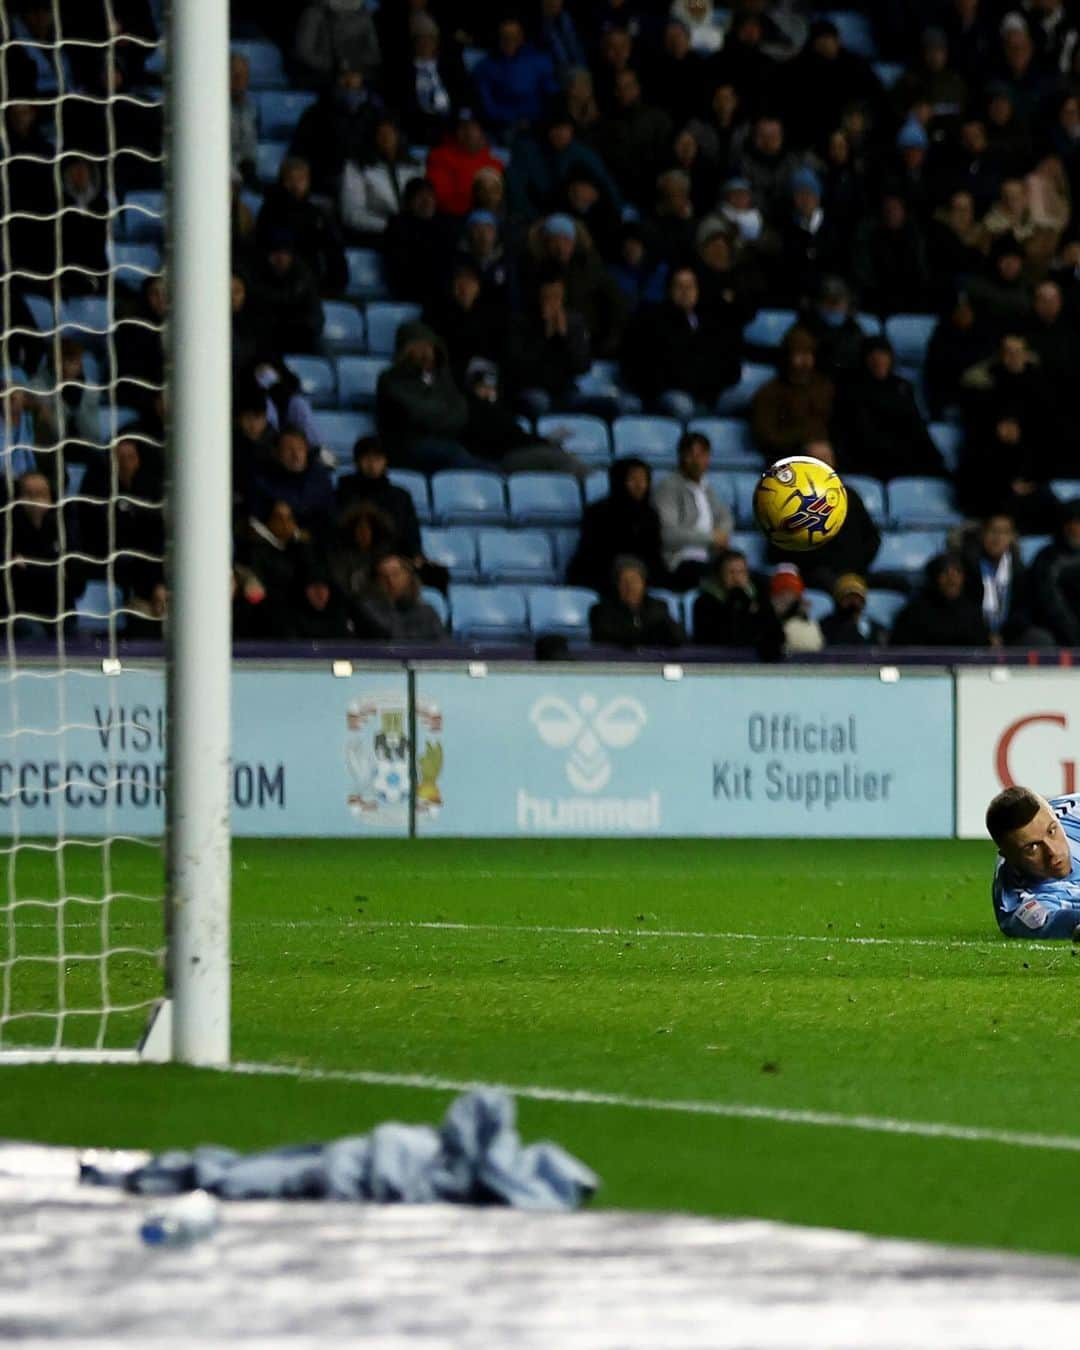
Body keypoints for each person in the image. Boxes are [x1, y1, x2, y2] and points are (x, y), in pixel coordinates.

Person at [623, 266, 741, 419]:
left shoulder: (711, 321)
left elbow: (727, 362)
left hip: (708, 394)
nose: (685, 291)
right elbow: (643, 368)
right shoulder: (652, 320)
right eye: (679, 286)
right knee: (682, 405)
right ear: (669, 290)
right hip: (668, 393)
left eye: (690, 286)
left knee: (741, 399)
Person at [374, 321, 478, 472]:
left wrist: (439, 416)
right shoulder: (391, 379)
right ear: (405, 351)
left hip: (447, 441)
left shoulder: (444, 377)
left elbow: (461, 412)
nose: (426, 352)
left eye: (429, 346)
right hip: (406, 446)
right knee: (457, 455)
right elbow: (416, 413)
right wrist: (443, 412)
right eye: (419, 347)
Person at [985, 787, 1080, 939]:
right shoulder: (1017, 901)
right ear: (1009, 857)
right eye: (1032, 848)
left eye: (1052, 831)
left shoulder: (1072, 813)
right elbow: (1053, 922)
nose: (1053, 852)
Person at [568, 456, 665, 592]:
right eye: (633, 479)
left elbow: (654, 553)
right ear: (620, 481)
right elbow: (592, 552)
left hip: (642, 573)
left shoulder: (650, 515)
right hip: (602, 573)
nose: (639, 485)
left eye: (643, 480)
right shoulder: (597, 512)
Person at [652, 431, 733, 590]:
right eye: (691, 455)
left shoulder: (706, 487)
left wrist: (721, 535)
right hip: (680, 562)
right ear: (681, 457)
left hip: (710, 558)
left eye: (702, 455)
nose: (697, 461)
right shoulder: (668, 487)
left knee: (751, 577)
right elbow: (668, 533)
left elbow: (726, 518)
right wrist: (711, 538)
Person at [256, 157, 347, 297]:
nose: (296, 184)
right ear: (283, 181)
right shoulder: (271, 209)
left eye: (301, 179)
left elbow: (331, 246)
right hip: (281, 277)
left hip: (312, 276)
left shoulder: (316, 213)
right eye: (291, 179)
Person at [751, 325, 834, 459]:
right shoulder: (769, 392)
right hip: (787, 458)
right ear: (788, 356)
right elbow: (766, 437)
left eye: (808, 353)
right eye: (799, 354)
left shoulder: (825, 387)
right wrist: (803, 443)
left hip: (827, 452)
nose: (805, 360)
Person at [339, 116, 424, 243]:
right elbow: (352, 214)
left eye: (391, 133)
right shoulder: (356, 166)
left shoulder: (415, 166)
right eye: (381, 134)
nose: (386, 138)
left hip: (414, 233)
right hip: (377, 235)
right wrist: (390, 226)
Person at [473, 16, 559, 141]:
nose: (509, 41)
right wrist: (514, 119)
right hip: (504, 127)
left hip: (539, 124)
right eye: (505, 37)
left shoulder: (539, 61)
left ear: (522, 37)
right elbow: (487, 107)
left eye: (514, 37)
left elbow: (552, 94)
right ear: (498, 38)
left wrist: (539, 119)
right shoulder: (484, 68)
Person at [692, 548, 784, 656]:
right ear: (719, 575)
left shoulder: (760, 598)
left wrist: (747, 603)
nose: (737, 578)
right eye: (731, 572)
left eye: (741, 572)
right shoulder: (704, 602)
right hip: (718, 660)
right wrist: (733, 603)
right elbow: (711, 639)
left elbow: (776, 634)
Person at [889, 554, 990, 647]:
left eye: (957, 572)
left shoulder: (973, 614)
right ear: (934, 577)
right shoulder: (913, 613)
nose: (952, 579)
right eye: (944, 572)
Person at [588, 556, 685, 648]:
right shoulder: (601, 611)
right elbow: (607, 637)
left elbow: (678, 637)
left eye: (634, 581)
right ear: (617, 585)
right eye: (625, 582)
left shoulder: (658, 607)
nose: (630, 587)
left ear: (643, 584)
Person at [426, 108, 504, 218]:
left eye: (473, 126)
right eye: (462, 127)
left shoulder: (494, 161)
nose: (468, 132)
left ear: (481, 130)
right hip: (455, 219)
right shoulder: (439, 157)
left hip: (489, 220)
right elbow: (442, 199)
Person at [355, 553, 446, 640]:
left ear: (408, 577)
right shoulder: (368, 611)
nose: (390, 581)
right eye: (384, 577)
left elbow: (444, 649)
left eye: (396, 574)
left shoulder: (428, 613)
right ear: (377, 582)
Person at [294, 0, 382, 87]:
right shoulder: (315, 13)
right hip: (325, 75)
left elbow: (373, 51)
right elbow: (305, 52)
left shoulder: (364, 15)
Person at [768, 563, 824, 653]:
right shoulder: (763, 623)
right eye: (780, 593)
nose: (785, 598)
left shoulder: (806, 627)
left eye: (790, 592)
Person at [820, 573, 887, 647]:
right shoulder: (825, 626)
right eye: (848, 597)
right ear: (838, 599)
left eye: (857, 597)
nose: (853, 601)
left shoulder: (876, 628)